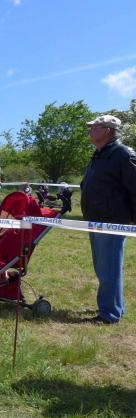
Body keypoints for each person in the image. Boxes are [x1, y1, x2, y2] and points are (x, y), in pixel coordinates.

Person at [81, 114, 136, 324]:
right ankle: (114, 307)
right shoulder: (99, 154)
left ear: (107, 131)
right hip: (96, 220)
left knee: (109, 269)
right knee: (104, 268)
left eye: (95, 127)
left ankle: (109, 314)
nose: (90, 130)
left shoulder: (123, 154)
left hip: (112, 221)